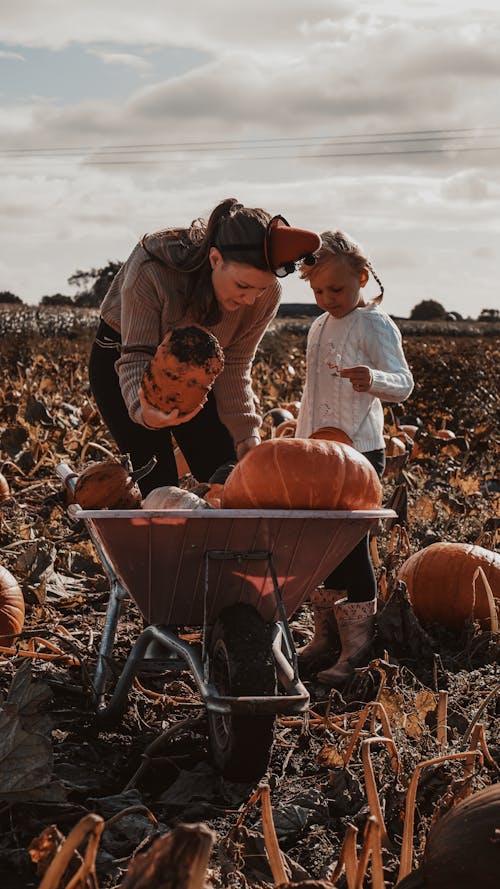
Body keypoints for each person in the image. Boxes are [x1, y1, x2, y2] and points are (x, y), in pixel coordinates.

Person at [88, 198, 320, 495]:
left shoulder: (265, 296)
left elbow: (235, 365)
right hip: (124, 358)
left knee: (227, 475)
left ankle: (220, 541)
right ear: (215, 260)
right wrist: (145, 411)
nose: (250, 299)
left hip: (200, 365)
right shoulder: (153, 271)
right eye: (242, 287)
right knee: (157, 486)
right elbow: (136, 356)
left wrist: (246, 434)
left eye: (259, 289)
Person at [295, 230, 414, 687]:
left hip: (360, 452)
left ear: (362, 278)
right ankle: (327, 636)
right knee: (322, 547)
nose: (328, 299)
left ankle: (358, 645)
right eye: (318, 291)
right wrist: (299, 441)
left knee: (352, 544)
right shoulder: (319, 325)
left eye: (337, 290)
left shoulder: (374, 324)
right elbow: (313, 394)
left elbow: (403, 382)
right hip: (318, 450)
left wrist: (374, 378)